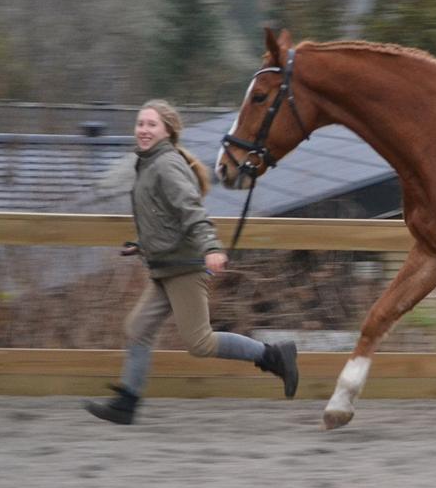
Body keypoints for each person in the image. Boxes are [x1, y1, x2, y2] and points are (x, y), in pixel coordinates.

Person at [84, 99, 298, 424]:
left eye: (151, 124)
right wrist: (142, 244)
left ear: (167, 131)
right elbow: (164, 217)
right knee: (138, 328)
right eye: (140, 123)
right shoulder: (150, 163)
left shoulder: (166, 164)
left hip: (184, 267)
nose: (143, 130)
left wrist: (211, 247)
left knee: (200, 342)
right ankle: (126, 404)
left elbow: (190, 210)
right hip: (165, 267)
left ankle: (274, 355)